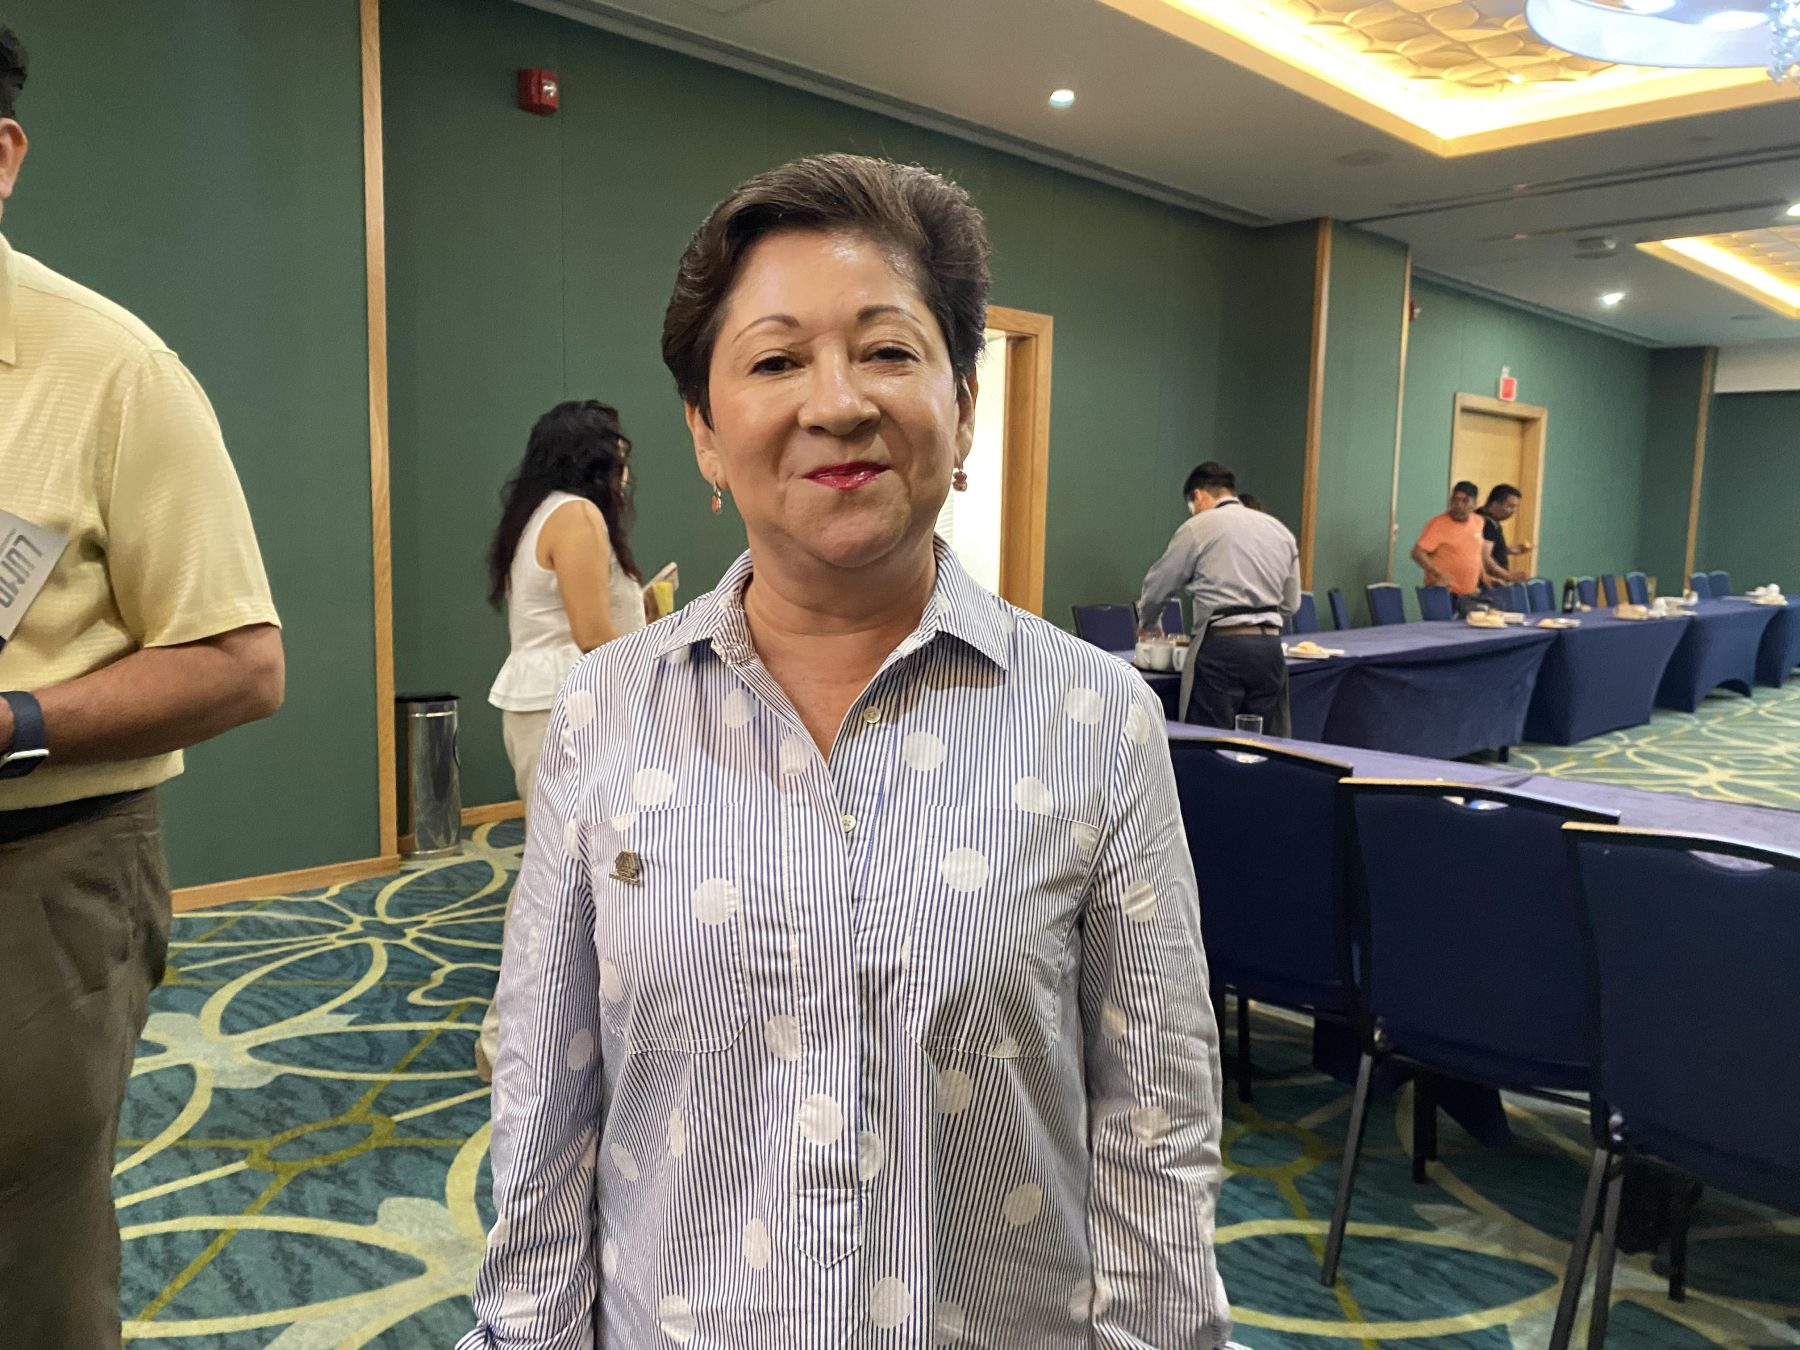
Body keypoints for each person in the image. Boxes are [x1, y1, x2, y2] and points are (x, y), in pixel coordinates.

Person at [459, 154, 1232, 1349]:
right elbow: (545, 1092)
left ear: (961, 404)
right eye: (775, 362)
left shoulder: (1095, 716)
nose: (837, 403)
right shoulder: (606, 709)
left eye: (886, 351)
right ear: (705, 432)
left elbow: (1156, 1123)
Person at [0, 26, 284, 1347]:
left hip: (39, 873)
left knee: (28, 1268)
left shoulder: (113, 371)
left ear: (2, 157)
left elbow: (243, 664)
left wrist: (15, 722)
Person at [478, 400, 647, 1079]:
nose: (628, 474)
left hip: (548, 707)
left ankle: (540, 1035)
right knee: (557, 879)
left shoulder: (540, 513)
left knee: (570, 874)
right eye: (622, 457)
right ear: (599, 458)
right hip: (570, 712)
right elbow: (593, 635)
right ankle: (507, 1040)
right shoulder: (577, 515)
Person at [1136, 461, 1301, 735]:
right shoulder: (1279, 531)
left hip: (1221, 649)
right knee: (1262, 743)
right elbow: (1291, 603)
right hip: (1269, 650)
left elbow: (1159, 584)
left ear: (1198, 495)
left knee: (1210, 741)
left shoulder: (1199, 527)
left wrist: (1149, 622)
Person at [1412, 480, 1502, 610]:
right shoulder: (1438, 524)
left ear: (1474, 503)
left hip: (1469, 593)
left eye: (1465, 501)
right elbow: (1417, 553)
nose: (1459, 505)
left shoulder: (1478, 522)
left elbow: (1475, 553)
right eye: (1455, 500)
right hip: (1442, 592)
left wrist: (1484, 576)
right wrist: (1437, 573)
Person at [1478, 483, 1530, 584]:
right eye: (1510, 506)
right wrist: (1509, 576)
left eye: (1515, 507)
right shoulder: (1488, 524)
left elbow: (1482, 548)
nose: (1513, 511)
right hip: (1489, 585)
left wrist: (1507, 550)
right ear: (1494, 503)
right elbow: (1485, 557)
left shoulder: (1477, 515)